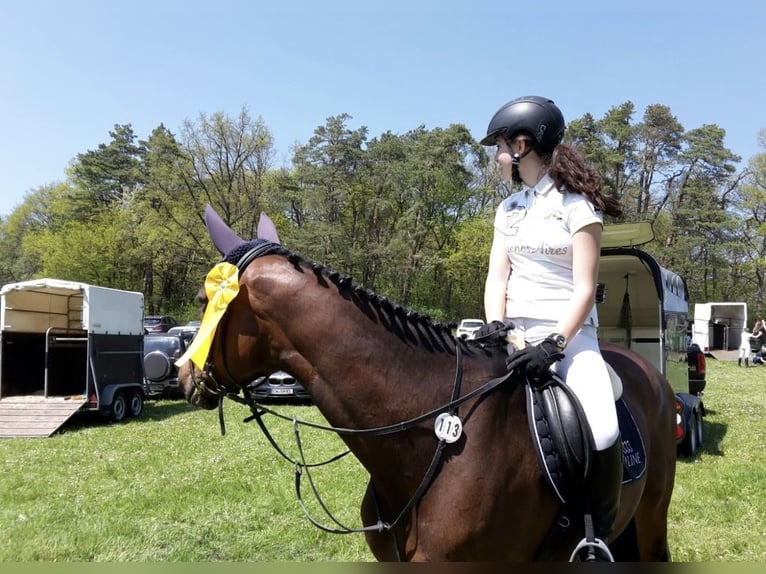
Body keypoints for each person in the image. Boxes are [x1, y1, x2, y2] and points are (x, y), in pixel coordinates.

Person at [478, 95, 624, 560]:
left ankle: (594, 538)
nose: (497, 157)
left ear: (522, 146)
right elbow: (497, 277)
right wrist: (496, 326)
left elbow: (584, 289)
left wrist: (555, 345)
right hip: (513, 337)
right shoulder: (509, 210)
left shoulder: (578, 208)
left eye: (500, 147)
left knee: (600, 429)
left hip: (570, 339)